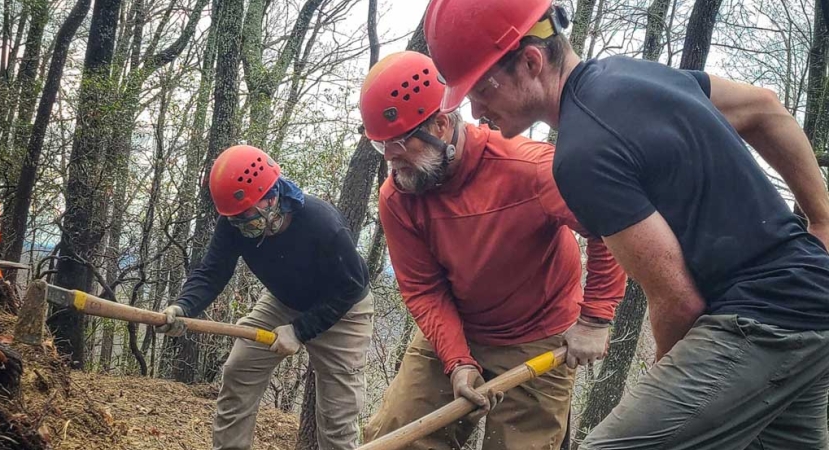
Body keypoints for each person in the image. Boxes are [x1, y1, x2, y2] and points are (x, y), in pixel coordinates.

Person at [423, 1, 829, 448]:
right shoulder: (638, 75)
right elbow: (764, 107)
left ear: (531, 62)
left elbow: (677, 299)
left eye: (481, 89)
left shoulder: (581, 154)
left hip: (760, 319)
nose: (477, 110)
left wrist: (667, 377)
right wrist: (823, 219)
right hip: (811, 300)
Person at [357, 51, 626, 450]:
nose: (391, 162)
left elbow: (611, 225)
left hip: (539, 334)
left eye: (398, 144)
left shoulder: (530, 169)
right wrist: (458, 360)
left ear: (442, 124)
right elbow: (424, 289)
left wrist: (596, 318)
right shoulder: (399, 197)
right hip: (456, 326)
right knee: (395, 439)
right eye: (382, 148)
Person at [156, 144, 373, 450]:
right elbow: (212, 272)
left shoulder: (322, 223)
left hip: (343, 309)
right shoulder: (233, 223)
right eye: (235, 220)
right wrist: (183, 306)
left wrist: (300, 330)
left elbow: (350, 287)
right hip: (283, 301)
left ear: (272, 196)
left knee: (338, 416)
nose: (242, 226)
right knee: (239, 370)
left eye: (248, 217)